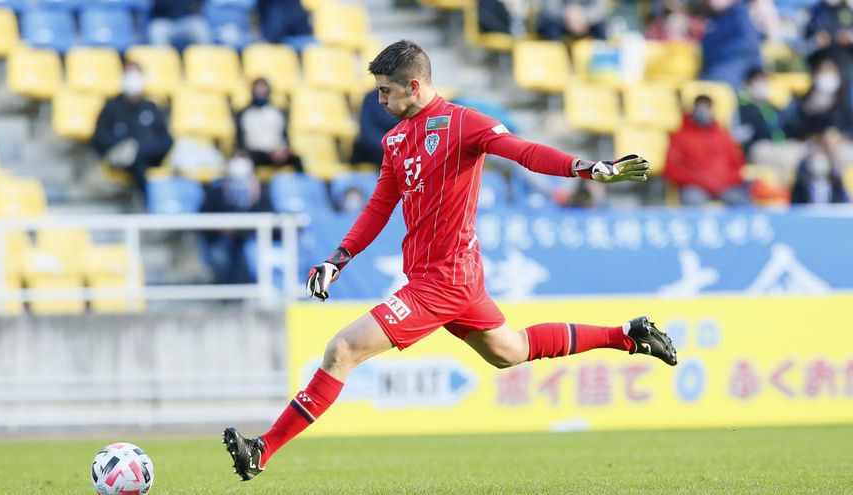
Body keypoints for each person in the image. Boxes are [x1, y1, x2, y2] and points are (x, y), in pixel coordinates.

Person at [222, 40, 677, 481]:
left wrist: (586, 168)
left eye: (386, 90)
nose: (379, 100)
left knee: (341, 350)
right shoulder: (397, 140)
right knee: (510, 351)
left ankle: (265, 448)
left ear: (415, 85)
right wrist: (337, 259)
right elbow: (380, 206)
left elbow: (524, 151)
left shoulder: (464, 123)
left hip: (444, 280)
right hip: (442, 278)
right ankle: (629, 335)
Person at [92, 61, 173, 195]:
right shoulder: (111, 107)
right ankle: (144, 200)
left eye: (135, 75)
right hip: (124, 159)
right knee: (136, 159)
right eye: (128, 74)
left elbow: (165, 138)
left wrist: (143, 148)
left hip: (151, 156)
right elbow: (100, 137)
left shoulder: (150, 107)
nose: (132, 80)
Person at [199, 152, 273, 284]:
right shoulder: (216, 190)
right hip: (221, 239)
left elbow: (271, 222)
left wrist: (255, 200)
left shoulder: (260, 190)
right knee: (220, 255)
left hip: (250, 238)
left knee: (252, 252)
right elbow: (203, 219)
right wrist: (220, 227)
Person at [664, 95, 751, 206]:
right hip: (695, 187)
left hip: (724, 186)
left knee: (742, 202)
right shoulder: (680, 137)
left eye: (707, 107)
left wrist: (725, 182)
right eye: (700, 108)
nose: (704, 111)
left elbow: (737, 163)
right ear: (693, 110)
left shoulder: (723, 136)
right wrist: (701, 181)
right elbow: (672, 167)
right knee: (693, 199)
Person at [733, 68, 805, 184]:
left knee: (804, 151)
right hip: (758, 147)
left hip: (779, 145)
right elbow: (743, 133)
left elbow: (786, 128)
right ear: (748, 84)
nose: (762, 86)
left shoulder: (771, 106)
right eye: (758, 81)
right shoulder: (742, 107)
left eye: (765, 81)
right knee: (784, 160)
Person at [235, 78, 303, 173]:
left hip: (276, 153)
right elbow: (240, 142)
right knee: (241, 164)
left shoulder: (277, 113)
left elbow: (284, 137)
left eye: (263, 88)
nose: (260, 92)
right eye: (258, 89)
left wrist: (283, 151)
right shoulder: (244, 114)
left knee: (297, 160)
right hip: (254, 153)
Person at [699, 0, 763, 90]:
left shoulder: (738, 13)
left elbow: (748, 44)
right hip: (717, 65)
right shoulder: (715, 17)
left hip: (729, 65)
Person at [790, 133, 850, 204]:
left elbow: (842, 205)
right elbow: (796, 206)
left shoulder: (837, 184)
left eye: (822, 155)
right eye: (815, 157)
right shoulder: (801, 186)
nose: (818, 160)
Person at [351, 89, 399, 166]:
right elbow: (368, 133)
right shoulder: (371, 98)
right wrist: (391, 147)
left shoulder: (407, 99)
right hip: (374, 156)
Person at [536, 0, 611, 40]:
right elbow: (549, 7)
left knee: (601, 27)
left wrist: (583, 17)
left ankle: (599, 61)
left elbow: (600, 8)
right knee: (550, 28)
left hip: (584, 20)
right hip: (559, 20)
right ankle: (557, 63)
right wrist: (568, 15)